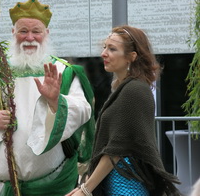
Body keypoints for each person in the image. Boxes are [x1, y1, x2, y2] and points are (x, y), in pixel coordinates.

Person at [0, 0, 95, 196]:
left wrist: (56, 102)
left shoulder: (63, 71)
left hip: (54, 186)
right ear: (13, 33)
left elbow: (83, 110)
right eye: (23, 31)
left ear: (46, 33)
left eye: (36, 31)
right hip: (2, 187)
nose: (30, 38)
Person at [66, 25, 181, 196]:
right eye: (105, 47)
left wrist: (85, 189)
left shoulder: (134, 90)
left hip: (127, 184)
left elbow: (116, 150)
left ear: (131, 57)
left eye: (112, 49)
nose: (104, 53)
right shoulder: (125, 89)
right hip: (119, 180)